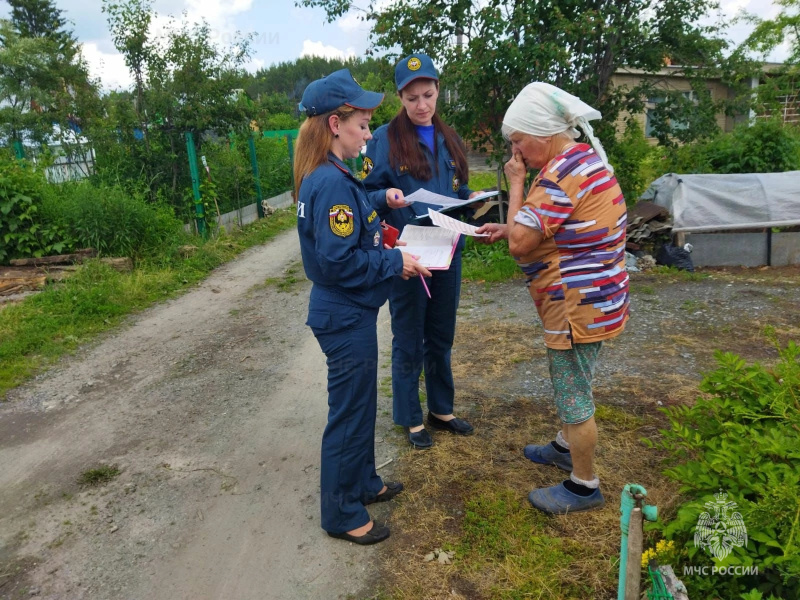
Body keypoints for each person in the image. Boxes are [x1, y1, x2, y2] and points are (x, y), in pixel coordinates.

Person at [476, 82, 629, 514]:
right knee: (575, 381)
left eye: (518, 141)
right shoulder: (581, 161)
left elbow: (521, 243)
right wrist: (511, 226)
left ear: (543, 134)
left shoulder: (560, 174)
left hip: (575, 307)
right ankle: (565, 447)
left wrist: (517, 184)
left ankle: (584, 484)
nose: (516, 152)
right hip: (596, 298)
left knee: (572, 392)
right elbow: (557, 227)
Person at [295, 69, 431, 544]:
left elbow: (352, 213)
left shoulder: (336, 177)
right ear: (336, 124)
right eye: (363, 125)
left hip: (350, 312)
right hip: (344, 314)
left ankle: (365, 482)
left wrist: (378, 195)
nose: (370, 134)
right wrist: (394, 261)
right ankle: (342, 513)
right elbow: (339, 262)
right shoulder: (330, 183)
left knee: (360, 406)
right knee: (349, 415)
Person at [362, 53, 483, 449]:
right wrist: (386, 195)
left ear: (437, 91)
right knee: (409, 335)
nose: (422, 105)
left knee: (441, 333)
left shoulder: (450, 137)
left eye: (428, 95)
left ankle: (441, 409)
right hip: (410, 254)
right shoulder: (382, 139)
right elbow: (363, 193)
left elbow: (458, 189)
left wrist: (472, 197)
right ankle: (411, 419)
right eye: (412, 98)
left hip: (448, 247)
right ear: (400, 96)